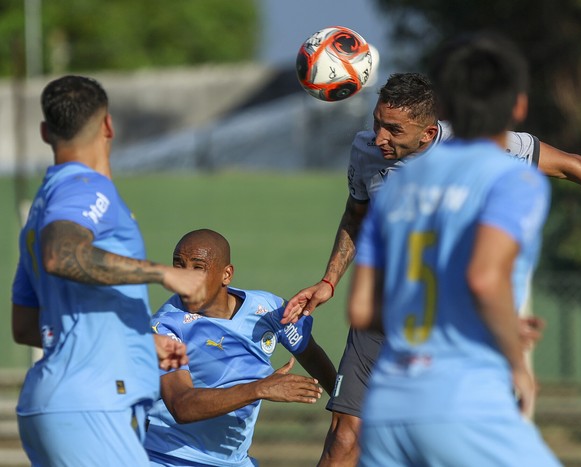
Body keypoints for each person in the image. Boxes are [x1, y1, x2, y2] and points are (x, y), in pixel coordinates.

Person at [282, 67, 581, 465]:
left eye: (393, 129)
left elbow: (569, 164)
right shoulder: (365, 150)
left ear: (427, 133)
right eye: (378, 123)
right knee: (344, 438)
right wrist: (329, 281)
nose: (380, 137)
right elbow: (356, 216)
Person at [348, 30, 560, 466]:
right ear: (518, 105)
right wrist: (516, 358)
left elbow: (362, 310)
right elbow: (484, 279)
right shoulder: (512, 180)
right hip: (461, 401)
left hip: (388, 406)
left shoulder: (395, 187)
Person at [11, 75, 207, 467]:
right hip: (92, 404)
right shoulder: (85, 188)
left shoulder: (41, 210)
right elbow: (62, 253)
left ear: (46, 132)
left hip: (57, 403)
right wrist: (166, 274)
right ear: (107, 125)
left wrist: (132, 341)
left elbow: (27, 326)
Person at [145, 229, 337, 467]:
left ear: (226, 274)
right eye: (178, 265)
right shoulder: (165, 327)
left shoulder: (269, 310)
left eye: (198, 267)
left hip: (235, 462)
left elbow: (312, 355)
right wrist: (260, 388)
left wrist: (346, 410)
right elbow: (182, 405)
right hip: (168, 459)